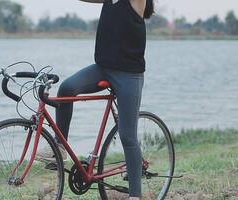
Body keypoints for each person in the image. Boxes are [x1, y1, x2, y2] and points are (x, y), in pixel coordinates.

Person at [38, 0, 154, 199]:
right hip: (102, 69)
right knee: (67, 88)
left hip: (129, 76)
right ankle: (59, 146)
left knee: (128, 136)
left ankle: (136, 195)